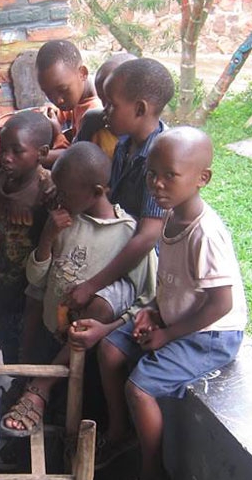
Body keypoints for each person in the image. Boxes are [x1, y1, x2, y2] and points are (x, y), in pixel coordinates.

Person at [99, 127, 246, 480]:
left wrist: (167, 333)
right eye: (152, 174)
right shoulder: (170, 217)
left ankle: (152, 475)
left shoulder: (206, 233)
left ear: (202, 178)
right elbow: (175, 284)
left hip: (213, 333)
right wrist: (154, 312)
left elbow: (220, 303)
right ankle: (119, 435)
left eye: (170, 175)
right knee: (111, 348)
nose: (157, 184)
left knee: (141, 388)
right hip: (180, 318)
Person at [0, 142, 156, 437]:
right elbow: (36, 280)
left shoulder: (126, 234)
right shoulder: (63, 221)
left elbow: (145, 298)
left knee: (73, 416)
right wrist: (47, 236)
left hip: (89, 350)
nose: (58, 197)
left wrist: (109, 328)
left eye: (65, 192)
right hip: (50, 333)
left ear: (97, 192)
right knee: (37, 421)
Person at [64, 58, 174, 318]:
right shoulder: (125, 145)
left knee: (94, 307)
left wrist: (92, 285)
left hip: (142, 262)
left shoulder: (157, 159)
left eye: (112, 105)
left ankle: (65, 358)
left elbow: (148, 236)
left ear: (139, 109)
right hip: (116, 239)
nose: (105, 112)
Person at [0, 111, 54, 365]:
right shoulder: (1, 178)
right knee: (5, 335)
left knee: (27, 341)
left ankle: (22, 386)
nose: (6, 157)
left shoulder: (46, 188)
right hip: (4, 278)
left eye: (17, 151)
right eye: (3, 149)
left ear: (42, 152)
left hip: (30, 288)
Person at [35, 39, 102, 168]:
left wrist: (58, 134)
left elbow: (76, 157)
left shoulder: (95, 111)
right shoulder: (77, 96)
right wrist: (52, 111)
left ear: (82, 73)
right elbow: (63, 109)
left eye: (63, 90)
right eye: (48, 93)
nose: (57, 100)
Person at [75, 53, 137, 159]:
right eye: (101, 100)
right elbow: (75, 159)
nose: (104, 108)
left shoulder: (159, 147)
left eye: (111, 103)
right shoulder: (93, 122)